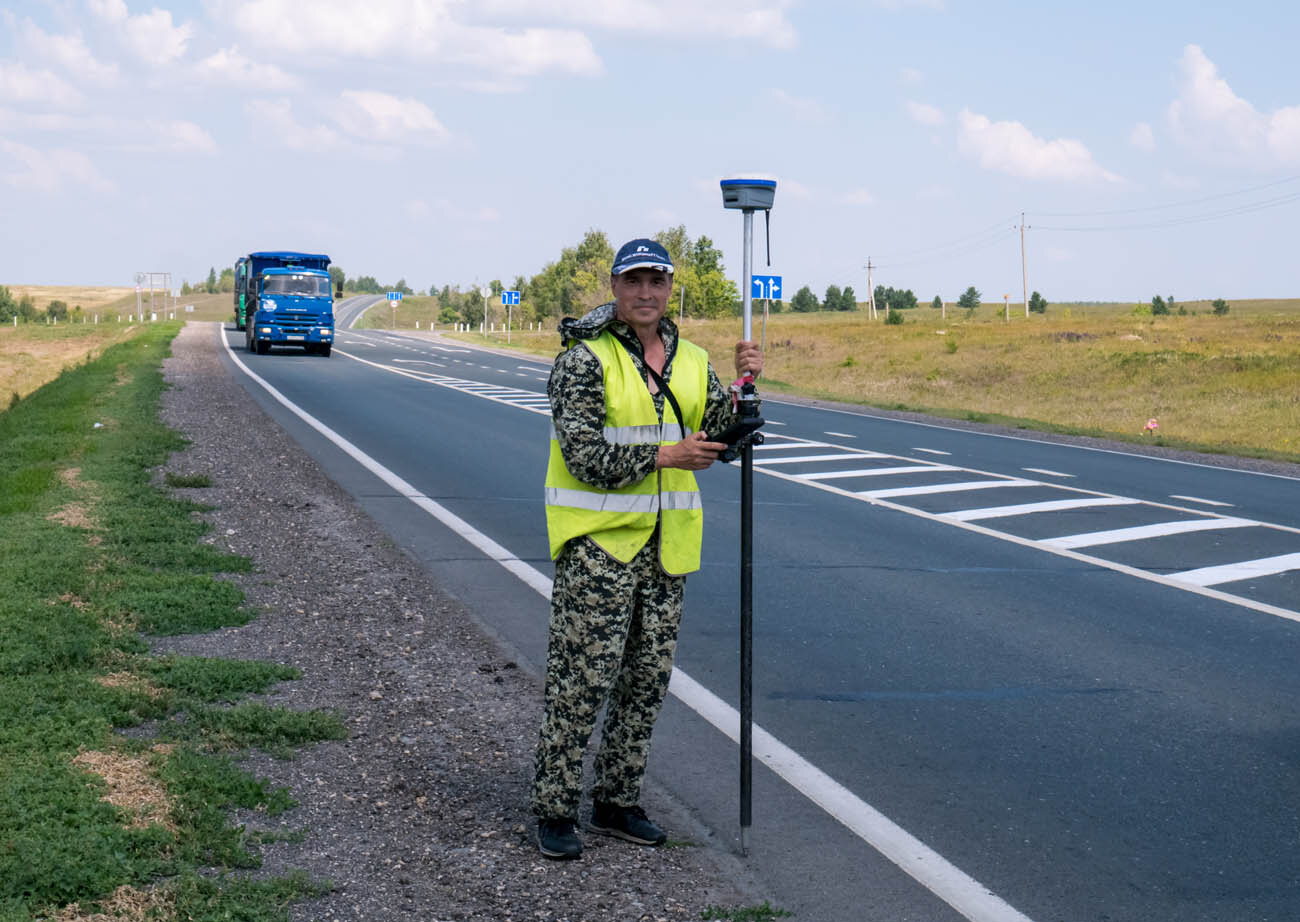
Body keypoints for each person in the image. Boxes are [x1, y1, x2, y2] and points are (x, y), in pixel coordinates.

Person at [532, 237, 763, 859]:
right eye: (632, 281)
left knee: (644, 683)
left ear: (668, 289)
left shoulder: (691, 358)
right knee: (581, 682)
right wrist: (669, 454)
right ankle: (554, 809)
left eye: (655, 281)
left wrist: (745, 391)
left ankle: (616, 799)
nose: (644, 293)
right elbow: (584, 457)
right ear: (613, 287)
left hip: (667, 551)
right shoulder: (584, 360)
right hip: (598, 549)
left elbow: (722, 438)